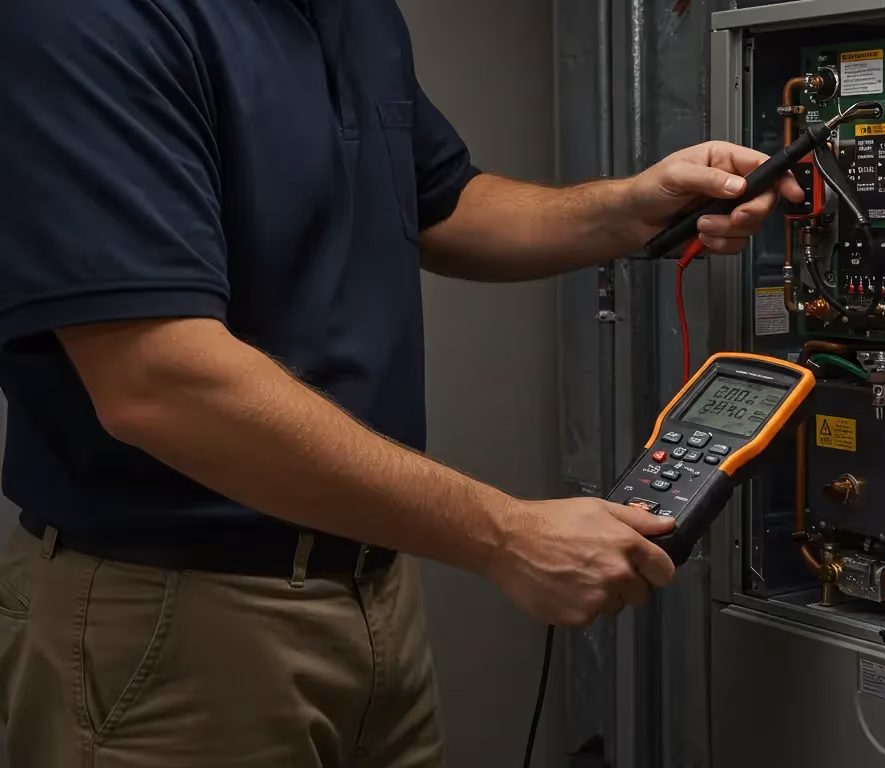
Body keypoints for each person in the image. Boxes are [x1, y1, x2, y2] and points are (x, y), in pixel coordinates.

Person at [0, 0, 802, 765]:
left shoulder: (348, 13)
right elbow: (158, 380)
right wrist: (503, 534)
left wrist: (629, 207)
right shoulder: (88, 19)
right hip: (176, 613)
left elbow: (442, 200)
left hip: (375, 593)